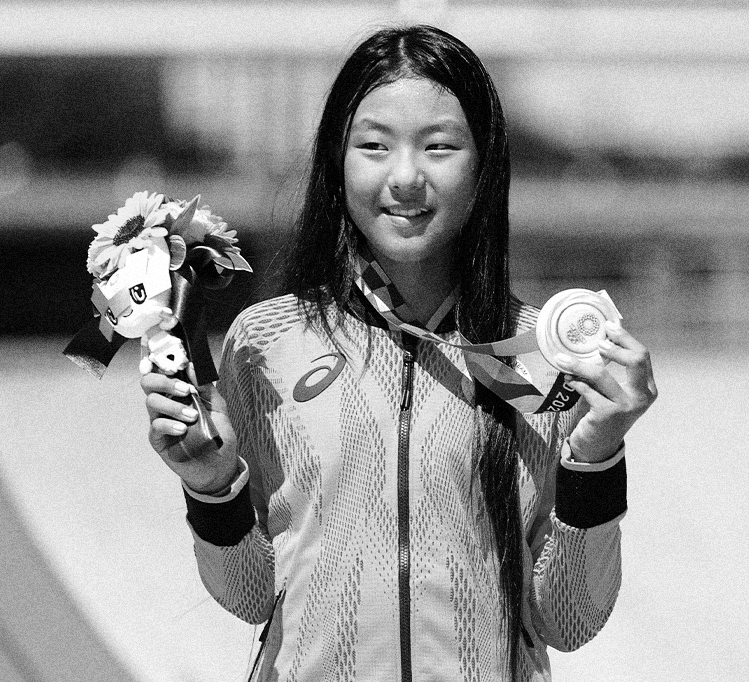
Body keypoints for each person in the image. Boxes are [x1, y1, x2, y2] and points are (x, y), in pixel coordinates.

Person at [142, 24, 657, 682]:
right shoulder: (266, 342)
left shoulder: (539, 359)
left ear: (485, 165)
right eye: (375, 146)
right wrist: (210, 485)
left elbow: (568, 619)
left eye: (439, 147)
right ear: (338, 159)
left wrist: (596, 460)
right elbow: (247, 594)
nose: (406, 177)